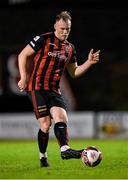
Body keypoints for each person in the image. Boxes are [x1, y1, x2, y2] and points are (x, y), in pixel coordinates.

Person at [18, 11, 100, 167]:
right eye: (62, 28)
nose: (65, 32)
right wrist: (23, 77)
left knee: (62, 118)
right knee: (46, 125)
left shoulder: (70, 48)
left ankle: (65, 149)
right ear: (55, 25)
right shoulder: (43, 39)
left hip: (54, 89)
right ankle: (43, 156)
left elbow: (74, 72)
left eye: (68, 29)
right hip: (37, 87)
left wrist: (89, 62)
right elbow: (23, 55)